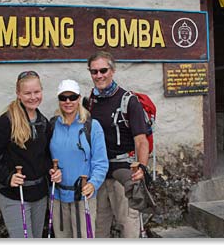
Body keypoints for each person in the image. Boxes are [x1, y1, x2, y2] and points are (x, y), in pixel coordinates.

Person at [0, 70, 62, 238]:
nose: (33, 97)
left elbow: (44, 156)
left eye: (37, 92)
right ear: (18, 94)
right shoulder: (5, 122)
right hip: (15, 196)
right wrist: (8, 177)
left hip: (39, 194)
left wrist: (52, 170)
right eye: (27, 93)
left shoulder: (43, 122)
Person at [85, 51, 150, 238]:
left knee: (128, 226)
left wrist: (142, 169)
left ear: (112, 70)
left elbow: (141, 140)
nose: (99, 76)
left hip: (122, 173)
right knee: (99, 228)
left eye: (103, 70)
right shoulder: (91, 101)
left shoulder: (129, 101)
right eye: (94, 72)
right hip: (98, 175)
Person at [49, 79, 108, 238]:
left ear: (79, 98)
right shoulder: (52, 125)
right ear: (59, 100)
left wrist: (93, 183)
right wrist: (49, 171)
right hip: (58, 196)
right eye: (63, 98)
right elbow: (45, 158)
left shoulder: (92, 126)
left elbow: (101, 162)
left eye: (72, 97)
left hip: (83, 196)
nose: (68, 101)